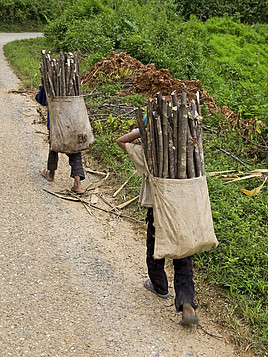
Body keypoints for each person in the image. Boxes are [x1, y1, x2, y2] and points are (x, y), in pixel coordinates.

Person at [116, 129, 199, 326]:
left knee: (154, 250)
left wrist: (140, 132)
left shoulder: (149, 154)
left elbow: (120, 141)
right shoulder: (187, 152)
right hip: (183, 209)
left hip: (158, 211)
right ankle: (187, 302)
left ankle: (159, 286)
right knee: (183, 255)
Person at [36, 83, 85, 194]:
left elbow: (41, 100)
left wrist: (43, 85)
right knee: (75, 151)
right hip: (74, 122)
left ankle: (51, 173)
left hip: (56, 123)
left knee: (54, 147)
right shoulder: (73, 82)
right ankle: (78, 184)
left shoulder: (51, 82)